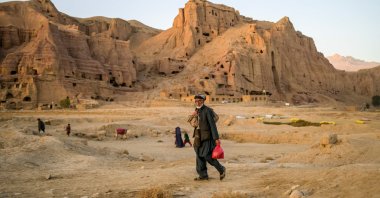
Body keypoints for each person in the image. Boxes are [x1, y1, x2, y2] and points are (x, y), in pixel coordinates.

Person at [192, 94, 225, 181]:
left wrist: (216, 138)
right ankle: (203, 175)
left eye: (199, 101)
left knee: (207, 156)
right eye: (196, 101)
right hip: (198, 136)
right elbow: (194, 123)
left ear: (203, 101)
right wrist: (193, 116)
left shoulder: (207, 110)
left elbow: (212, 125)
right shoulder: (196, 110)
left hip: (207, 137)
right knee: (199, 156)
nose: (197, 102)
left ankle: (221, 169)